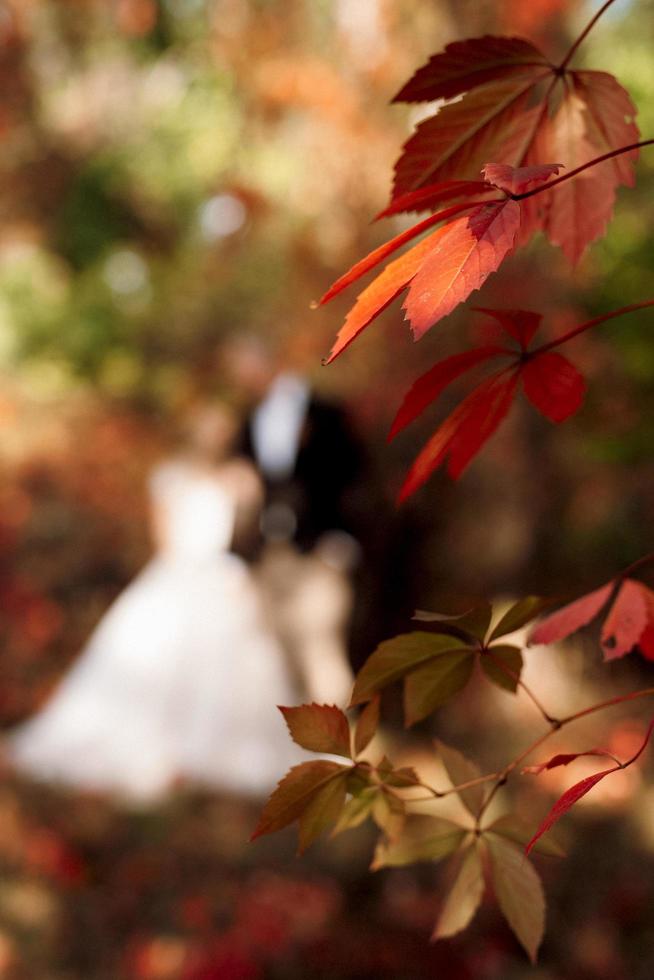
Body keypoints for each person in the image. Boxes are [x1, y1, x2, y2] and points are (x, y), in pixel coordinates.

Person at [7, 404, 306, 802]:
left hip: (222, 578)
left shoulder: (238, 477)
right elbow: (164, 536)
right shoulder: (171, 475)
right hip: (179, 575)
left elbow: (253, 532)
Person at [222, 334, 366, 704]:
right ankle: (301, 753)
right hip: (268, 553)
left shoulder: (327, 413)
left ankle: (338, 751)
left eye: (243, 367)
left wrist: (343, 538)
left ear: (266, 362)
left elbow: (356, 478)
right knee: (276, 654)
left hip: (319, 552)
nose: (240, 377)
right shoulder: (247, 423)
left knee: (321, 650)